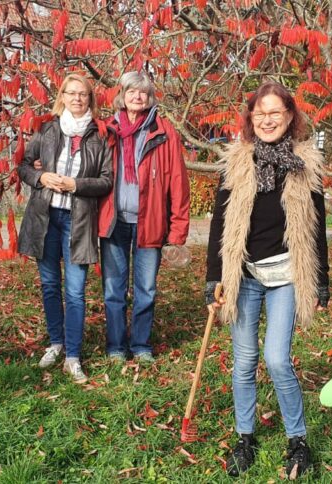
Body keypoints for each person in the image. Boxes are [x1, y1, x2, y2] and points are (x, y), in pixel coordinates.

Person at [205, 82, 329, 479]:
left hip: (287, 276)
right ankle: (245, 436)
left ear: (289, 117)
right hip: (244, 276)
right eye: (260, 113)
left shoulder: (305, 164)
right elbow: (219, 227)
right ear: (250, 118)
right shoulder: (236, 162)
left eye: (275, 113)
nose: (267, 120)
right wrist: (213, 280)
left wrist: (322, 281)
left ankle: (298, 440)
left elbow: (317, 229)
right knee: (243, 363)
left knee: (276, 358)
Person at [18, 73, 113, 384]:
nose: (76, 99)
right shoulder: (47, 130)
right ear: (62, 97)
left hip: (78, 220)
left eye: (82, 94)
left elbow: (106, 180)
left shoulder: (99, 136)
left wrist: (76, 184)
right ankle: (56, 343)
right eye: (71, 93)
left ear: (90, 99)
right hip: (45, 219)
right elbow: (23, 166)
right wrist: (41, 178)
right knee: (49, 286)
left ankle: (73, 355)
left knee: (75, 292)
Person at [97, 71, 191, 363]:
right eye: (131, 92)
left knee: (146, 289)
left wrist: (177, 232)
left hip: (150, 222)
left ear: (150, 98)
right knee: (114, 289)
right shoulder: (107, 130)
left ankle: (140, 345)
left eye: (143, 93)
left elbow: (178, 180)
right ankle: (115, 346)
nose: (137, 97)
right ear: (121, 96)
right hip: (114, 221)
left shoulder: (163, 132)